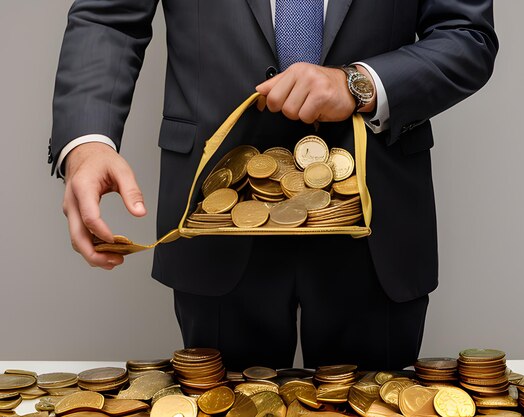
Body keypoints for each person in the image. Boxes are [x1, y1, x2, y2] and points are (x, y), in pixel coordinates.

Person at [49, 0, 498, 371]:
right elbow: (107, 17)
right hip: (217, 216)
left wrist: (357, 84)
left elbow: (466, 34)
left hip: (375, 217)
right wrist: (86, 142)